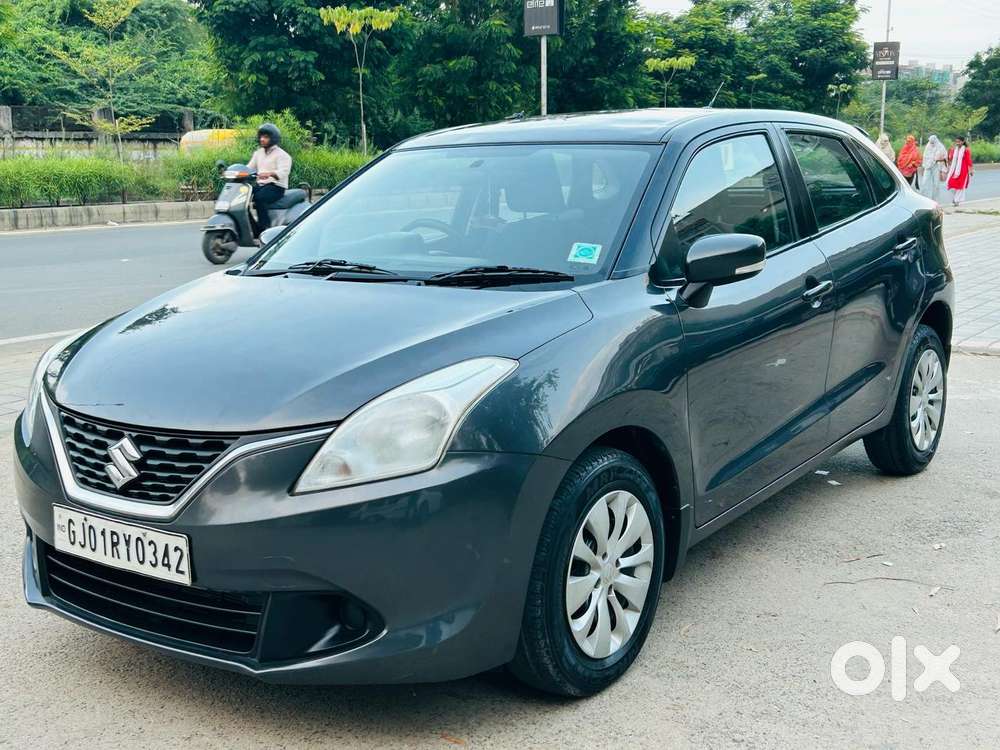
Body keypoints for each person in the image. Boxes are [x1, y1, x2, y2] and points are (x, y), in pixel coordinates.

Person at [247, 122, 292, 231]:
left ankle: (264, 228)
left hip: (276, 187)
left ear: (273, 138)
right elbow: (249, 168)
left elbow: (284, 172)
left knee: (259, 198)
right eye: (261, 137)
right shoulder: (258, 153)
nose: (262, 139)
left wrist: (270, 174)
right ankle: (250, 227)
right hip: (261, 185)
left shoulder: (282, 155)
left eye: (266, 137)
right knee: (242, 195)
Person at [946, 136, 974, 206]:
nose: (957, 143)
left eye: (959, 142)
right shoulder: (954, 149)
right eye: (956, 142)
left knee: (960, 186)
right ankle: (956, 198)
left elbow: (969, 161)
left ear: (963, 142)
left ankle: (956, 200)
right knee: (951, 183)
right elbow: (950, 158)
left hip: (963, 171)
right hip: (954, 170)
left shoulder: (966, 150)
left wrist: (971, 170)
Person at [919, 135, 948, 202]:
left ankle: (935, 200)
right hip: (927, 166)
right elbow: (925, 157)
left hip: (937, 166)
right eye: (930, 142)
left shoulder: (941, 147)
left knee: (936, 184)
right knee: (924, 182)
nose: (931, 144)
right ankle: (922, 199)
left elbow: (945, 158)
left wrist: (943, 170)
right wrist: (923, 167)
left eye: (933, 142)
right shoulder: (928, 146)